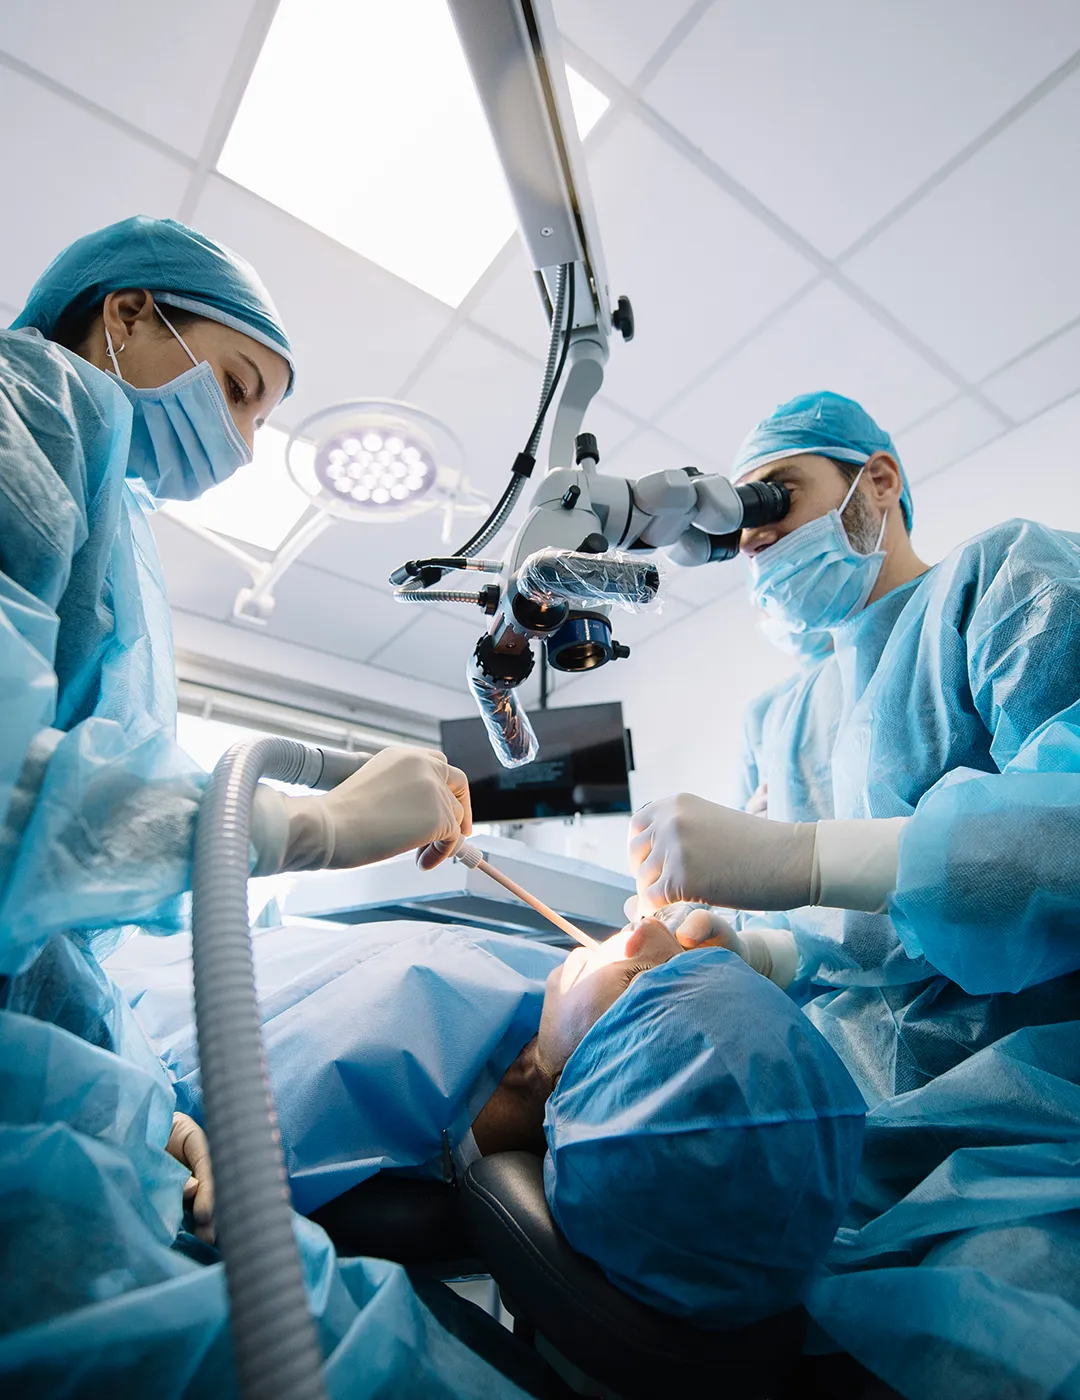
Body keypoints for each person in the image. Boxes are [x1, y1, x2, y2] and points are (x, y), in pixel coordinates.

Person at [0, 216, 527, 1399]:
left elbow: (63, 899)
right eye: (239, 388)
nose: (242, 437)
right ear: (128, 312)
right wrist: (315, 825)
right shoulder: (23, 410)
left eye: (261, 412)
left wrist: (151, 1105)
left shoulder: (114, 534)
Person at [628, 391, 1080, 1399]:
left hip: (1031, 1131)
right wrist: (756, 953)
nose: (759, 536)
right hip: (847, 1123)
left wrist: (804, 858)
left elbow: (1069, 837)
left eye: (778, 497)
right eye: (742, 527)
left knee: (997, 1348)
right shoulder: (781, 719)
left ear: (877, 480)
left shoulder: (1007, 582)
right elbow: (859, 949)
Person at [108, 910, 865, 1329]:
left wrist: (154, 1123)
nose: (643, 930)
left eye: (644, 977)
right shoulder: (535, 1004)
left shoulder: (332, 1141)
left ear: (598, 1091)